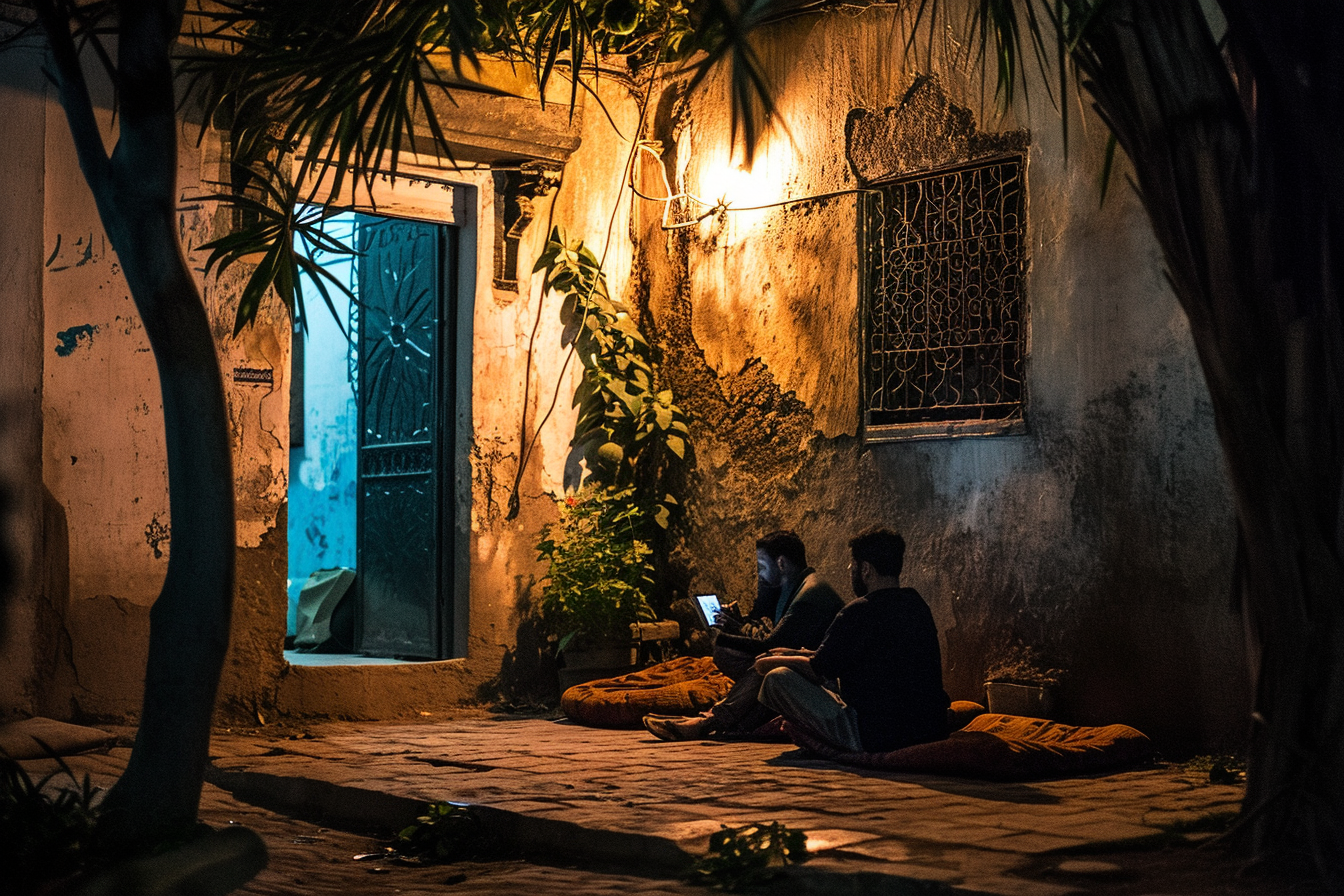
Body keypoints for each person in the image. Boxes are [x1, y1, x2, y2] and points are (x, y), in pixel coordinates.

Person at [753, 527, 950, 753]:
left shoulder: (858, 611)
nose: (850, 570)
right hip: (930, 728)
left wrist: (771, 662)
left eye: (853, 565)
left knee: (777, 679)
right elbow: (839, 656)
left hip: (875, 734)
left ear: (865, 569)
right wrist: (790, 654)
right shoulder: (916, 605)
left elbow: (819, 670)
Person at [643, 530, 842, 740]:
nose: (760, 574)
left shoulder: (809, 595)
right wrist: (737, 624)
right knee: (739, 658)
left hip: (825, 683)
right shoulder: (794, 585)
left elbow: (773, 644)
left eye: (763, 567)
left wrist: (726, 634)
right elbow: (770, 629)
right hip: (806, 673)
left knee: (766, 665)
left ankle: (708, 721)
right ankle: (719, 722)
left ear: (781, 564)